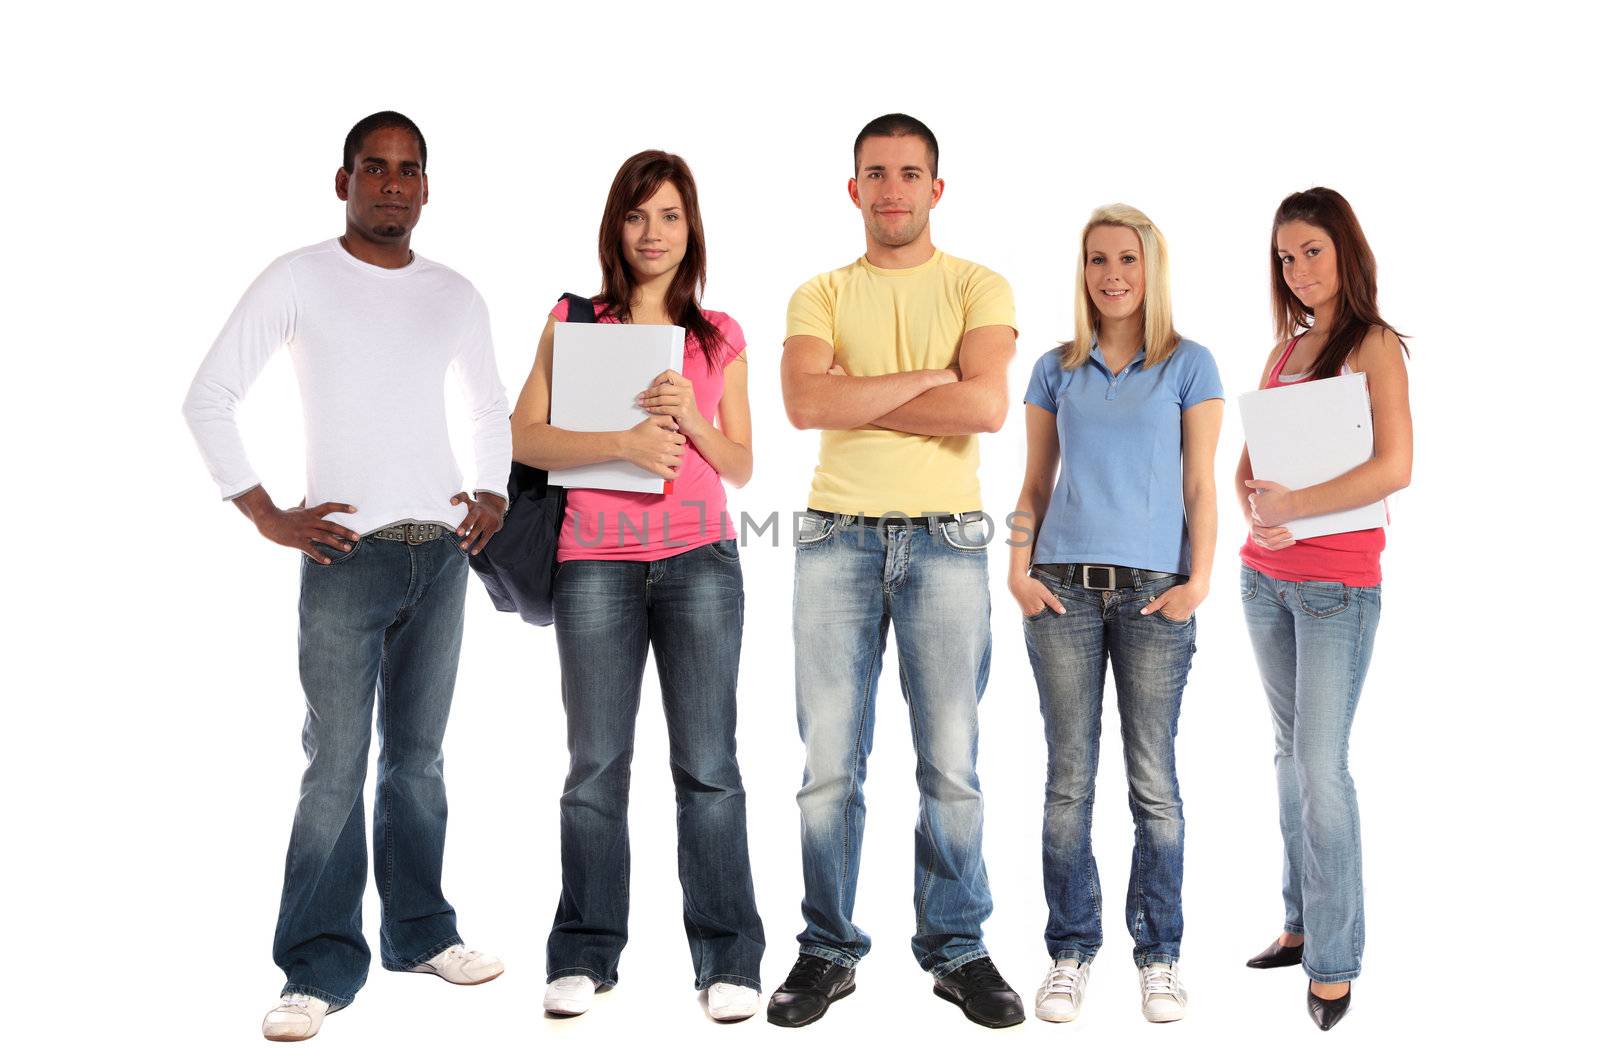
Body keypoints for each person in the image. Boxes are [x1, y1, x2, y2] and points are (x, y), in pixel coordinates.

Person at [182, 111, 511, 1042]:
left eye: (409, 170)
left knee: (419, 759)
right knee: (335, 764)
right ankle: (318, 964)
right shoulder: (299, 277)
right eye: (375, 168)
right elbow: (208, 397)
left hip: (440, 555)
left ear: (426, 187)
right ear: (344, 182)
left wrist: (489, 491)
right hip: (343, 557)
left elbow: (488, 404)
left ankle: (419, 932)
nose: (393, 184)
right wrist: (265, 512)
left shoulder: (454, 292)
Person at [769, 113, 1022, 1030]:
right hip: (836, 538)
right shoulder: (820, 293)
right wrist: (928, 379)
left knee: (950, 760)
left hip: (947, 541)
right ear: (854, 188)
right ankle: (826, 947)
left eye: (910, 173)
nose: (892, 189)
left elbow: (987, 404)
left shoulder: (977, 284)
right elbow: (806, 401)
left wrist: (867, 393)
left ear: (935, 189)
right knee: (829, 763)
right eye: (875, 172)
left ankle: (957, 947)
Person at [510, 150, 764, 1024]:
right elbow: (527, 437)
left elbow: (742, 463)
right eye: (636, 215)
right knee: (595, 766)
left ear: (691, 229)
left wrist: (688, 416)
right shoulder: (575, 319)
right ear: (615, 226)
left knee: (709, 767)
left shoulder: (719, 333)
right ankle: (584, 951)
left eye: (669, 216)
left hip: (699, 562)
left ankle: (728, 957)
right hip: (595, 565)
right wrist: (620, 444)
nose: (653, 234)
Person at [1010, 204, 1224, 1025]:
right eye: (1098, 259)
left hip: (1154, 592)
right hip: (1060, 586)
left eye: (1126, 259)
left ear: (1151, 268)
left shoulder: (1189, 366)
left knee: (1153, 784)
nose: (1111, 274)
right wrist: (1017, 568)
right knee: (1068, 782)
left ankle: (1159, 953)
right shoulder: (1055, 367)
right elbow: (1033, 484)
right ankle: (1070, 949)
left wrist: (1198, 579)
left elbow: (1201, 485)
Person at [1236, 187, 1411, 1032]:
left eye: (1311, 250)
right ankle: (1301, 921)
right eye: (1285, 256)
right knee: (1286, 758)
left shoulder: (1373, 346)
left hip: (1337, 586)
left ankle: (1335, 962)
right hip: (1264, 581)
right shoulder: (1283, 351)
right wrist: (1255, 505)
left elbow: (1395, 466)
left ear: (1345, 249)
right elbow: (1249, 462)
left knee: (1321, 765)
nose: (1298, 269)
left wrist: (1296, 503)